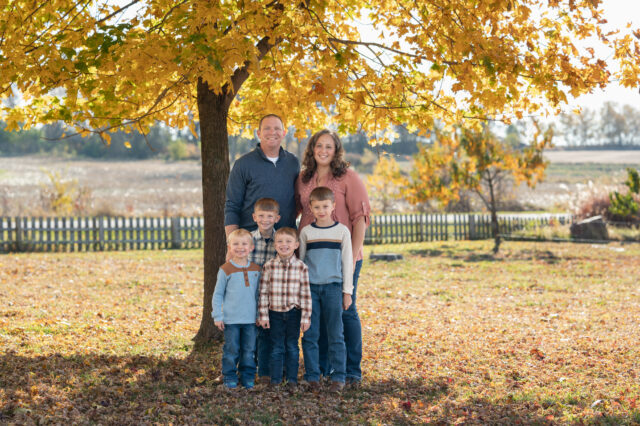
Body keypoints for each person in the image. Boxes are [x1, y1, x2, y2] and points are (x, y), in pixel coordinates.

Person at [295, 129, 371, 387]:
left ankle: (351, 371)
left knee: (345, 311)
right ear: (312, 149)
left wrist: (352, 258)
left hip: (343, 257)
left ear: (336, 150)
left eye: (329, 146)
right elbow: (297, 209)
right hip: (312, 257)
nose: (323, 150)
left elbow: (360, 218)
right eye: (319, 145)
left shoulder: (348, 177)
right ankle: (324, 369)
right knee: (318, 313)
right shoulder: (304, 178)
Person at [299, 187, 353, 393]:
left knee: (335, 334)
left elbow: (347, 263)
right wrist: (300, 292)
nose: (321, 210)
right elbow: (301, 263)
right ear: (311, 208)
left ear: (333, 206)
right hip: (311, 289)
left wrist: (347, 292)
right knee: (310, 334)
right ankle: (313, 376)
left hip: (333, 288)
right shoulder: (306, 232)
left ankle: (338, 376)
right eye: (317, 207)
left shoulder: (341, 232)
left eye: (325, 206)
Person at [224, 114, 300, 236]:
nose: (272, 132)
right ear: (258, 133)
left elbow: (297, 200)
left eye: (277, 129)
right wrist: (232, 242)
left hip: (285, 241)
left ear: (284, 133)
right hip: (250, 240)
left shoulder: (293, 162)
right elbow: (232, 205)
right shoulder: (243, 164)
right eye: (267, 128)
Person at [257, 227, 312, 389]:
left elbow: (305, 294)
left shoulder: (301, 267)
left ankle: (292, 380)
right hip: (274, 314)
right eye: (280, 241)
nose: (284, 245)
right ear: (275, 245)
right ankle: (275, 380)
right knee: (276, 347)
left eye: (288, 241)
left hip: (294, 314)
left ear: (296, 245)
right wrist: (263, 316)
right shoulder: (269, 266)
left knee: (292, 347)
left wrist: (305, 317)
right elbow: (263, 292)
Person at [211, 229, 261, 390]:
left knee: (249, 350)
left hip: (251, 319)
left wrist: (260, 315)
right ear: (229, 247)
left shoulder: (256, 269)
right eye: (236, 244)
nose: (240, 247)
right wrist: (217, 315)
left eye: (244, 244)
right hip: (231, 319)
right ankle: (229, 376)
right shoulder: (225, 269)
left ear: (251, 247)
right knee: (231, 350)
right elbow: (218, 294)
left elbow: (260, 294)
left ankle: (247, 376)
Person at [248, 197, 280, 384]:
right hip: (251, 292)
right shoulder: (249, 239)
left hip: (272, 294)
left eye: (270, 216)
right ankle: (246, 367)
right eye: (261, 216)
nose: (265, 219)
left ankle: (265, 371)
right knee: (250, 331)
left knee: (267, 331)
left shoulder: (281, 240)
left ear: (277, 218)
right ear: (254, 217)